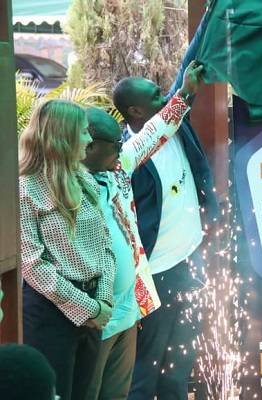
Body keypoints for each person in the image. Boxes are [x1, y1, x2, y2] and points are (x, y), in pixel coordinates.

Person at [82, 61, 205, 400]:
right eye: (114, 144)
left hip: (135, 297)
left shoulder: (121, 165)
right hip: (101, 309)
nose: (124, 146)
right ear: (88, 148)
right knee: (113, 385)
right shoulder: (68, 191)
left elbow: (159, 126)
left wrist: (185, 94)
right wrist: (88, 305)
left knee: (153, 374)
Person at [113, 22, 218, 400]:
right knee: (147, 368)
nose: (167, 98)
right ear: (136, 111)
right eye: (157, 97)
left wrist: (209, 14)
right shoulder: (125, 157)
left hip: (192, 262)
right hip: (154, 273)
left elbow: (188, 66)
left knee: (180, 367)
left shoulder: (177, 123)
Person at [19, 99, 115, 400]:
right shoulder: (25, 188)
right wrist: (88, 309)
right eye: (84, 133)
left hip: (93, 308)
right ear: (63, 136)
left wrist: (101, 299)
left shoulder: (84, 178)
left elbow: (105, 245)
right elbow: (33, 265)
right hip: (50, 313)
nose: (89, 140)